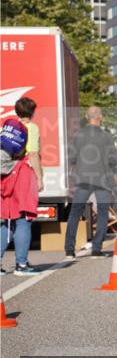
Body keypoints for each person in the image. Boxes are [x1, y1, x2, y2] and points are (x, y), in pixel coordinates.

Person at [64, 106, 117, 258]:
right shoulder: (107, 136)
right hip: (103, 180)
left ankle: (69, 250)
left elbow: (73, 158)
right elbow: (113, 160)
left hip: (83, 178)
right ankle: (96, 249)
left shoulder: (78, 135)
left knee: (75, 213)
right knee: (102, 214)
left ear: (87, 117)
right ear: (100, 117)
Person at [1, 114, 40, 275]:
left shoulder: (6, 129)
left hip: (4, 177)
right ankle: (21, 265)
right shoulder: (31, 128)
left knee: (4, 221)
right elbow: (32, 154)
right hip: (21, 173)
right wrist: (39, 177)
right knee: (24, 218)